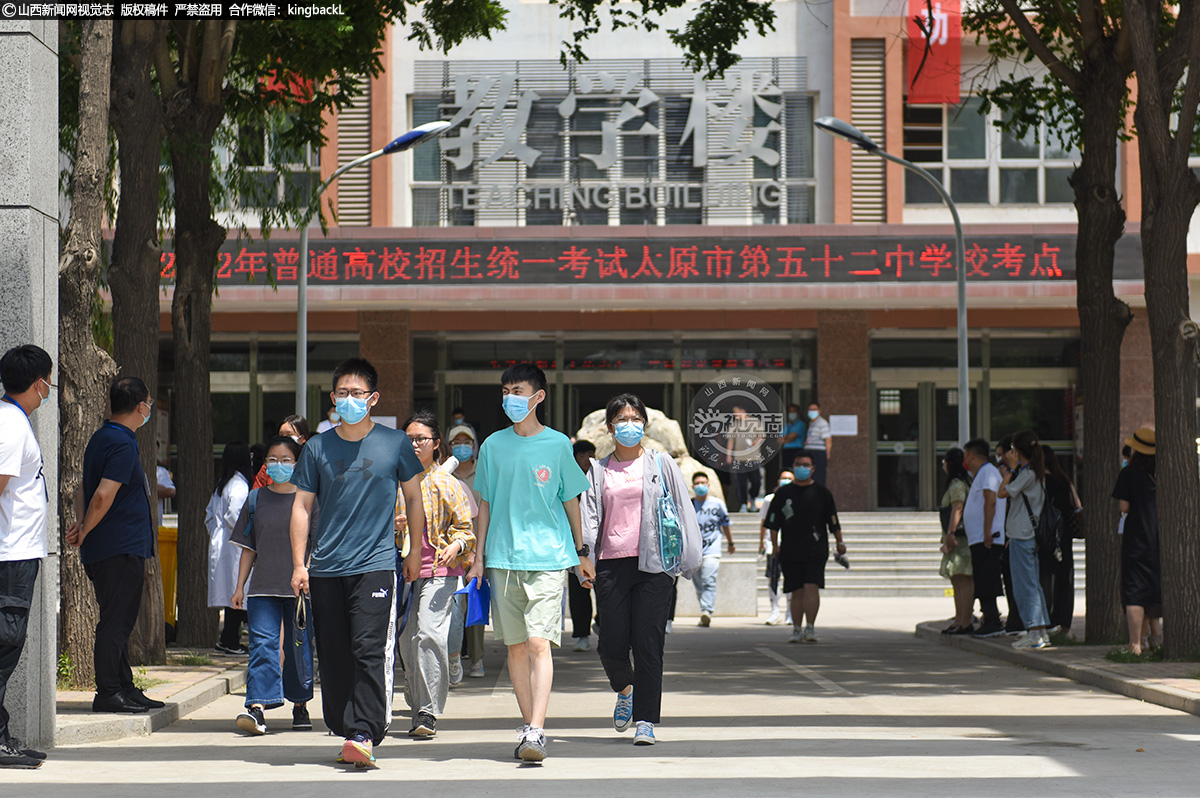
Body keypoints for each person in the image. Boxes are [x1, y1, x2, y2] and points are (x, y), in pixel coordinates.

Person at [290, 357, 426, 767]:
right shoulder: (316, 447)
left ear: (374, 398)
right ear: (333, 399)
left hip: (376, 563)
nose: (350, 400)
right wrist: (300, 563)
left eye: (358, 393)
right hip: (326, 567)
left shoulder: (395, 443)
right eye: (343, 393)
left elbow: (415, 498)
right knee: (332, 653)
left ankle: (365, 729)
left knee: (368, 647)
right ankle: (345, 725)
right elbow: (301, 506)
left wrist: (415, 550)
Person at [463, 363, 593, 763]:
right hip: (503, 558)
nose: (509, 399)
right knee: (516, 647)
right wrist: (479, 557)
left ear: (538, 396)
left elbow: (571, 500)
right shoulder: (493, 446)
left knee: (539, 642)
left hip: (549, 557)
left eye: (517, 390)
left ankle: (537, 728)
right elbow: (484, 503)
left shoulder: (557, 445)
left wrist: (582, 551)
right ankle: (529, 728)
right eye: (505, 391)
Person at [580, 393, 703, 747]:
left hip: (655, 565)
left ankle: (645, 720)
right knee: (610, 644)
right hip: (611, 565)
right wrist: (584, 560)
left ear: (645, 425)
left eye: (635, 419)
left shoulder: (661, 463)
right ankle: (625, 688)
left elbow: (682, 509)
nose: (629, 425)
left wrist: (688, 558)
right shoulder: (598, 470)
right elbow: (589, 519)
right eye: (622, 419)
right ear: (610, 426)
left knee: (649, 644)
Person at [65, 377, 165, 715]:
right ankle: (108, 691)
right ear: (140, 407)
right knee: (116, 622)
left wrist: (82, 526)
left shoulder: (102, 437)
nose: (149, 409)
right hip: (118, 547)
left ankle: (123, 686)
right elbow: (102, 495)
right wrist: (85, 530)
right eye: (149, 404)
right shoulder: (121, 443)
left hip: (108, 546)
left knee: (116, 618)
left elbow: (83, 488)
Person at [395, 410, 475, 739]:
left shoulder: (447, 482)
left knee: (429, 635)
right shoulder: (393, 480)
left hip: (441, 570)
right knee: (406, 640)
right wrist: (394, 525)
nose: (414, 444)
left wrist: (457, 545)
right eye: (409, 439)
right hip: (402, 574)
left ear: (436, 444)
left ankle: (427, 712)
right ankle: (417, 698)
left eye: (421, 439)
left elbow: (466, 528)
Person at [229, 436, 316, 735]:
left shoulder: (308, 500)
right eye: (273, 459)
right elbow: (248, 548)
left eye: (286, 460)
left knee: (299, 650)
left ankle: (300, 704)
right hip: (263, 588)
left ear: (298, 463)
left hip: (299, 591)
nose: (278, 465)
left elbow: (317, 545)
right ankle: (257, 707)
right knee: (262, 647)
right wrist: (239, 586)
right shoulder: (255, 499)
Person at [0, 345, 54, 767]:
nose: (48, 389)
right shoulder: (10, 426)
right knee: (5, 642)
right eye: (48, 382)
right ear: (39, 383)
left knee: (7, 643)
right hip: (9, 556)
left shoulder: (14, 421)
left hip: (18, 553)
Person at [765, 452, 843, 643]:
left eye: (806, 465)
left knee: (811, 586)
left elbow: (833, 520)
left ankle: (810, 628)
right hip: (790, 549)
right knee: (796, 589)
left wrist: (840, 542)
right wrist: (775, 546)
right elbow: (773, 522)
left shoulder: (822, 493)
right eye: (798, 464)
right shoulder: (783, 494)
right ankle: (797, 629)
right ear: (793, 467)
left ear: (813, 468)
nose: (802, 468)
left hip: (816, 548)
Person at [998, 430, 1052, 650]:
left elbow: (1002, 492)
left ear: (1019, 451)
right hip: (1025, 535)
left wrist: (1010, 469)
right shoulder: (1034, 473)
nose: (1010, 454)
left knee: (1025, 586)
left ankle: (1034, 633)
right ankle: (1040, 632)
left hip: (1023, 535)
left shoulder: (1026, 475)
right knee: (1032, 584)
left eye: (1012, 450)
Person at [1113, 427, 1161, 654]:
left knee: (1134, 590)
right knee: (1154, 586)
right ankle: (1155, 637)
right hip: (1159, 536)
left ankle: (1134, 645)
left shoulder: (1129, 472)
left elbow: (1124, 506)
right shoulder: (1163, 472)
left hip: (1136, 535)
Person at [448, 423, 486, 679]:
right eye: (456, 443)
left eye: (467, 442)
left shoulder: (482, 473)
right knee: (454, 608)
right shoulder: (444, 475)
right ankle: (453, 655)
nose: (462, 447)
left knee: (475, 603)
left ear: (474, 446)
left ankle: (477, 658)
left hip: (478, 548)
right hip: (451, 549)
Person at [208, 441, 253, 655]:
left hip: (223, 543)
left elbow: (209, 515)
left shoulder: (222, 484)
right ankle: (230, 641)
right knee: (237, 592)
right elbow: (236, 514)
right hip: (235, 546)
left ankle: (228, 638)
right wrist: (250, 535)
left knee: (231, 593)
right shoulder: (239, 486)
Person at [962, 439, 1006, 638]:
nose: (965, 460)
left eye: (966, 455)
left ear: (971, 455)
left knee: (987, 579)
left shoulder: (988, 472)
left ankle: (993, 619)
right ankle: (989, 617)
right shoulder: (981, 475)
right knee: (982, 578)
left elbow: (991, 501)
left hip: (987, 537)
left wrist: (987, 530)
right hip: (979, 537)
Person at [1041, 445, 1079, 635]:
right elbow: (1077, 505)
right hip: (1064, 534)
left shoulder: (1041, 481)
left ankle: (1046, 620)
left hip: (1046, 534)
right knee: (1066, 576)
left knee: (1045, 576)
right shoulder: (1064, 480)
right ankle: (1064, 622)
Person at [689, 472, 734, 627]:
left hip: (712, 549)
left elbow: (725, 524)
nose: (700, 485)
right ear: (693, 486)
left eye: (703, 482)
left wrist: (730, 542)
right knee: (698, 582)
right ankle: (704, 608)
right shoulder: (690, 505)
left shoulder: (717, 504)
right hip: (694, 551)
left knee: (709, 579)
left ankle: (706, 610)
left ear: (708, 485)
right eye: (697, 483)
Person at [937, 448, 973, 634]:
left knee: (963, 578)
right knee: (956, 579)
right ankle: (959, 619)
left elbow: (957, 508)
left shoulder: (957, 484)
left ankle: (965, 621)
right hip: (955, 537)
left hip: (960, 538)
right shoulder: (960, 482)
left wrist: (951, 533)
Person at [568, 439, 598, 651]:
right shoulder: (569, 480)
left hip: (600, 544)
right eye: (582, 456)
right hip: (575, 545)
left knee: (605, 589)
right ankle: (582, 635)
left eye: (590, 455)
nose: (587, 460)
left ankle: (603, 625)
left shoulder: (601, 477)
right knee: (579, 591)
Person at [758, 471, 795, 626]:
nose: (786, 481)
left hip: (791, 544)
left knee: (791, 578)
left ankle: (790, 612)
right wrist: (762, 543)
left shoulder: (796, 498)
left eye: (789, 478)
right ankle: (774, 611)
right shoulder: (769, 499)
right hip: (773, 545)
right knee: (774, 577)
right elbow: (764, 522)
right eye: (783, 478)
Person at [995, 436, 1023, 634]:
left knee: (1018, 581)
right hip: (1011, 531)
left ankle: (1020, 622)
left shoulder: (1019, 474)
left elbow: (1002, 493)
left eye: (1002, 455)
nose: (1000, 460)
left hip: (1017, 533)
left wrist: (1010, 470)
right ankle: (1016, 620)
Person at [252, 415, 311, 490]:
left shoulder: (311, 466)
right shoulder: (269, 467)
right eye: (281, 435)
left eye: (289, 435)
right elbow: (257, 491)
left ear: (303, 438)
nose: (284, 439)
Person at [726, 404, 763, 512]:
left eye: (736, 412)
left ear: (743, 410)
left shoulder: (755, 422)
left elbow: (761, 436)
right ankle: (743, 503)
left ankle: (753, 497)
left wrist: (756, 442)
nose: (735, 415)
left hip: (753, 458)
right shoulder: (734, 424)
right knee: (741, 483)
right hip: (739, 458)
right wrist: (729, 455)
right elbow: (731, 440)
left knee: (756, 481)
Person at [802, 402, 832, 485]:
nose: (812, 411)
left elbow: (828, 439)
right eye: (810, 409)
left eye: (814, 409)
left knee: (818, 475)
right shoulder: (811, 423)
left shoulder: (822, 423)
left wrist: (828, 452)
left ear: (819, 411)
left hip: (818, 452)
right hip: (810, 451)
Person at [778, 404, 807, 488]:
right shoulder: (787, 425)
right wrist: (787, 438)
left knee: (796, 470)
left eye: (794, 411)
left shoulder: (801, 424)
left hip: (797, 451)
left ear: (798, 412)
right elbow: (779, 439)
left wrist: (785, 438)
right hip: (786, 451)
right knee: (786, 470)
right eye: (790, 411)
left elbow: (793, 437)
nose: (792, 413)